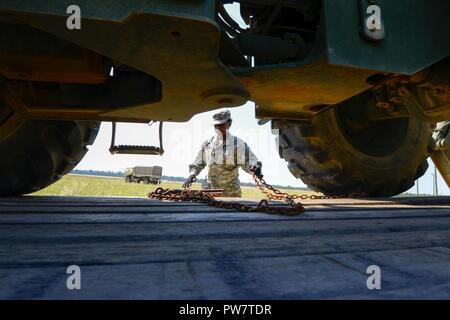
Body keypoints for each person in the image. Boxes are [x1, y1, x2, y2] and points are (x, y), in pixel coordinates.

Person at [183, 110, 263, 197]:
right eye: (215, 126)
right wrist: (192, 174)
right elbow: (198, 163)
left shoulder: (238, 144)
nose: (218, 128)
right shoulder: (207, 144)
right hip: (209, 193)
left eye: (221, 125)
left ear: (229, 124)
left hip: (231, 195)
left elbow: (249, 162)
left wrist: (255, 169)